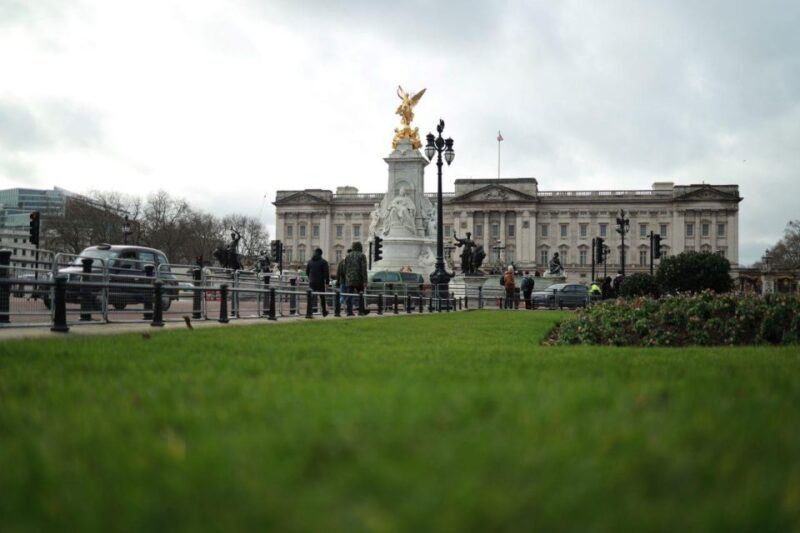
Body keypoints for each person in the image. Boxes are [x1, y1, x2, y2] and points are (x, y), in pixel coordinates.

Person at [344, 242, 369, 316]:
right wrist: (365, 281)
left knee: (349, 296)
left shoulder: (347, 256)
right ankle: (361, 311)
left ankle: (349, 311)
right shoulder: (362, 255)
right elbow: (363, 269)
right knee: (360, 295)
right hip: (359, 279)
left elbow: (345, 268)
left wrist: (347, 276)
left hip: (349, 279)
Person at [306, 248, 330, 316]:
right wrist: (327, 282)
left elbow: (307, 272)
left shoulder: (310, 261)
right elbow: (326, 273)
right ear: (321, 254)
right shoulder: (324, 262)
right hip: (320, 282)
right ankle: (324, 311)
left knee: (311, 297)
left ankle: (309, 311)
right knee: (322, 297)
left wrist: (310, 277)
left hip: (312, 281)